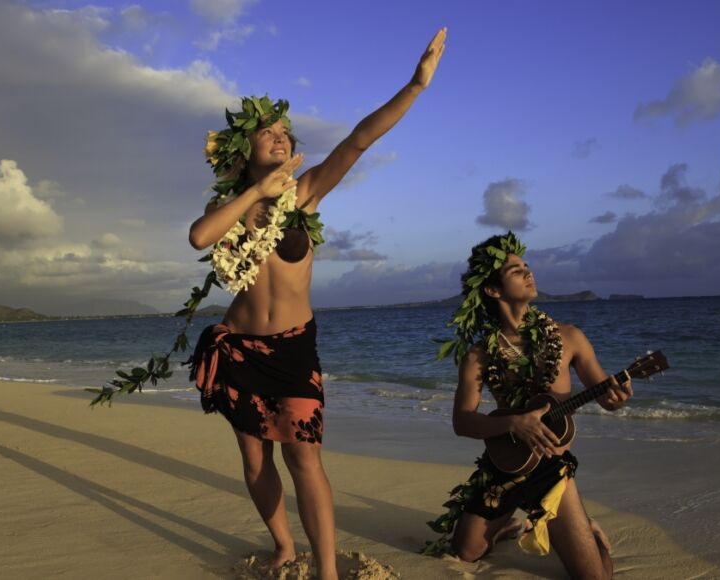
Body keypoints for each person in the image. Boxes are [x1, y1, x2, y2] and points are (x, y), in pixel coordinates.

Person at [187, 29, 447, 580]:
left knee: (304, 457)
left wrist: (415, 85)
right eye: (267, 133)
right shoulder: (231, 207)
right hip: (239, 351)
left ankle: (326, 571)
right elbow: (198, 237)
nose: (280, 138)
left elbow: (357, 140)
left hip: (293, 349)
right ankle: (283, 545)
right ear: (243, 150)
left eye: (285, 131)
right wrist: (253, 195)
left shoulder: (302, 196)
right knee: (255, 458)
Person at [424, 232, 633, 580]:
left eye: (527, 266)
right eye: (516, 270)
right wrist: (513, 424)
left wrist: (617, 397)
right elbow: (462, 421)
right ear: (492, 290)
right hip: (504, 463)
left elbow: (605, 395)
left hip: (551, 469)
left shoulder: (569, 338)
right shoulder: (479, 355)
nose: (528, 272)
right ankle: (506, 525)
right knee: (463, 552)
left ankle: (587, 529)